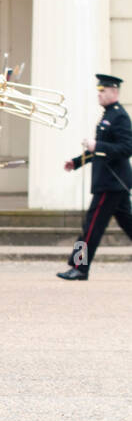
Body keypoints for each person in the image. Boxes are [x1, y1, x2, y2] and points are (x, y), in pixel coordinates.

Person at [57, 74, 132, 280]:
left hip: (111, 182)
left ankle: (80, 268)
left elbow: (126, 148)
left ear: (114, 92)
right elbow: (97, 150)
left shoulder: (120, 116)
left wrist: (97, 145)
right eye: (99, 90)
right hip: (110, 181)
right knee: (127, 223)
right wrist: (77, 161)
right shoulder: (108, 115)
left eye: (103, 91)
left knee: (91, 227)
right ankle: (79, 267)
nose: (99, 94)